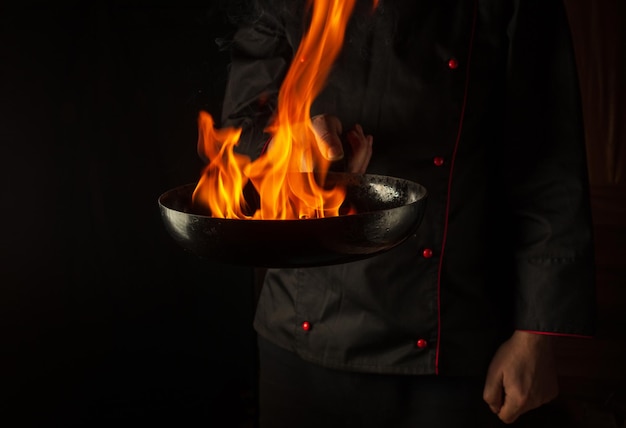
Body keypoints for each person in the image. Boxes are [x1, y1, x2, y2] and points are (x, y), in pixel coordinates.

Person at [210, 0, 596, 426]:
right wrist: (292, 151)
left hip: (451, 334)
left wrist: (535, 336)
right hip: (303, 325)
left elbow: (546, 159)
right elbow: (241, 126)